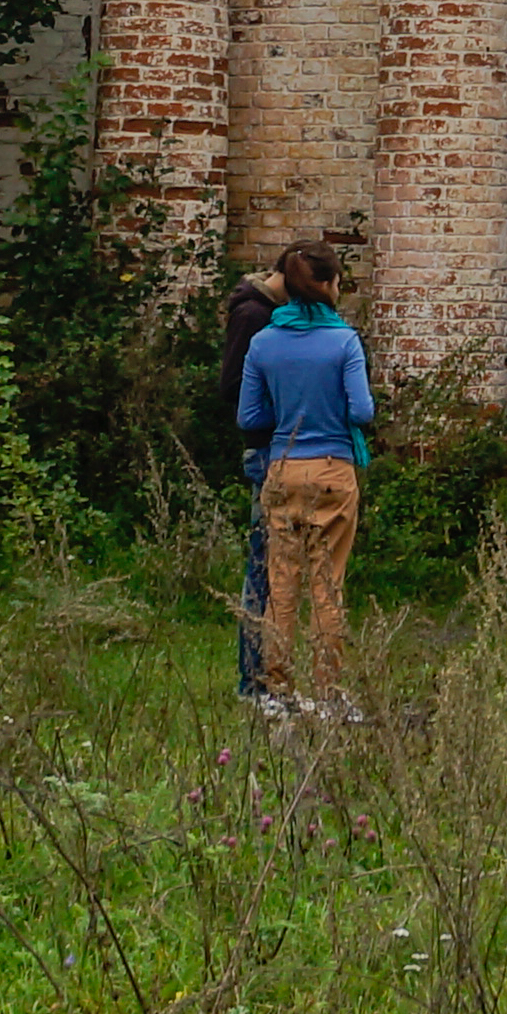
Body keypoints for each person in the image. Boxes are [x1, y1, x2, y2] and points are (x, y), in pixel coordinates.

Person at [231, 241, 371, 715]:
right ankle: (331, 693)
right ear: (332, 285)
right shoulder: (344, 341)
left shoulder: (264, 342)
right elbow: (363, 410)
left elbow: (249, 415)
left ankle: (277, 691)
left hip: (281, 470)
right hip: (333, 468)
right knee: (327, 586)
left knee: (281, 583)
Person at [213, 254, 287, 704]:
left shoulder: (266, 312)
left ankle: (266, 677)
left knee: (274, 565)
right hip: (266, 447)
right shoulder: (253, 315)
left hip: (279, 447)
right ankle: (253, 681)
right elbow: (233, 387)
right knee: (263, 567)